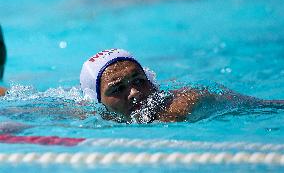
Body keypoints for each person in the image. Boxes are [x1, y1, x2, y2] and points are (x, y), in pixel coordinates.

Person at [80, 49, 284, 123]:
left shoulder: (183, 105)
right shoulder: (87, 117)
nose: (134, 92)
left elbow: (258, 106)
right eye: (117, 89)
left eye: (139, 80)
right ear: (98, 102)